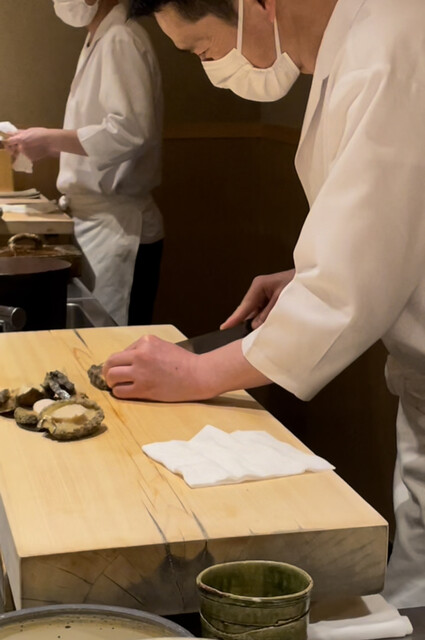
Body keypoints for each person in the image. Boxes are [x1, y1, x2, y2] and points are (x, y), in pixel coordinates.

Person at [104, 0, 425, 607]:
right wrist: (306, 274)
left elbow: (342, 296)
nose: (212, 69)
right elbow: (392, 228)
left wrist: (197, 372)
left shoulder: (389, 44)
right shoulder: (355, 42)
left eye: (203, 49)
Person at [5, 0, 164, 326]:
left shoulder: (121, 37)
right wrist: (45, 146)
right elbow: (102, 142)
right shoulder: (100, 38)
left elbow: (131, 131)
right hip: (96, 222)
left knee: (112, 337)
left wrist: (50, 139)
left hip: (119, 226)